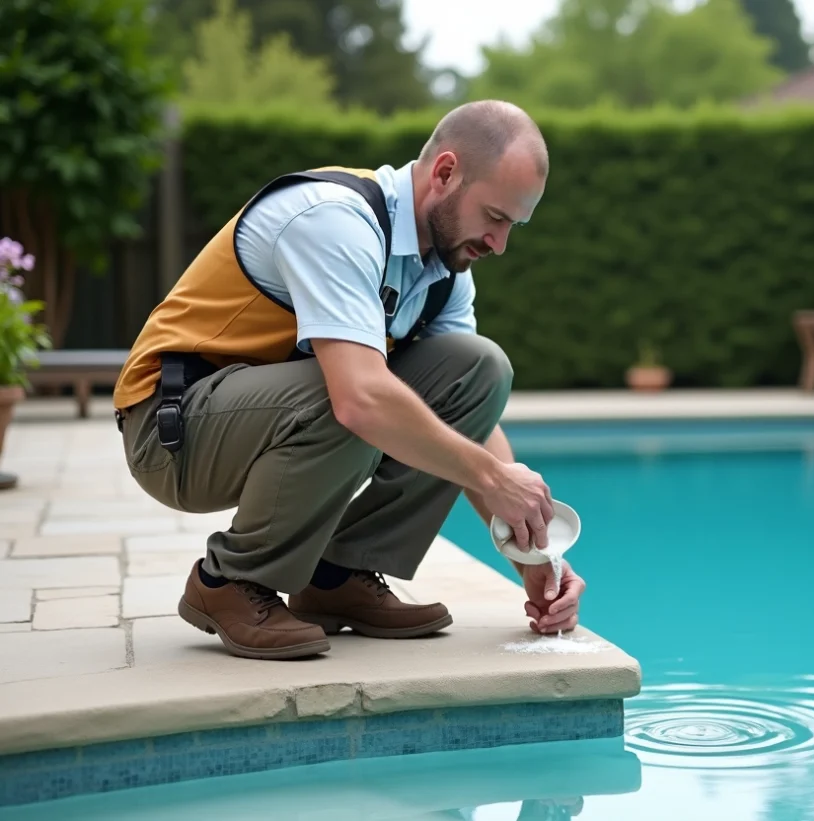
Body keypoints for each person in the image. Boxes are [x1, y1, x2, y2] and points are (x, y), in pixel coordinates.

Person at [111, 100, 586, 661]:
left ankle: (339, 578)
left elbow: (467, 419)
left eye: (514, 225)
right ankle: (229, 584)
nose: (500, 243)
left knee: (478, 368)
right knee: (358, 392)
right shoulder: (333, 219)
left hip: (259, 414)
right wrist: (495, 480)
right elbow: (359, 399)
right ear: (445, 173)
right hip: (173, 433)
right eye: (496, 217)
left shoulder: (443, 273)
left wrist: (534, 556)